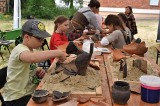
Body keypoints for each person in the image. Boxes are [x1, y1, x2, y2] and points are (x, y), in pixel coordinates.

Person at [1, 19, 66, 106]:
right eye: (39, 38)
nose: (42, 41)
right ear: (27, 37)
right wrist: (57, 53)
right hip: (17, 98)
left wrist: (39, 70)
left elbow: (31, 65)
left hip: (30, 93)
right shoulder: (19, 49)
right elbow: (32, 58)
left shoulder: (32, 50)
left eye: (43, 38)